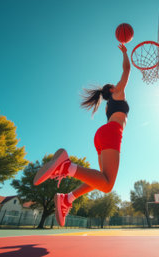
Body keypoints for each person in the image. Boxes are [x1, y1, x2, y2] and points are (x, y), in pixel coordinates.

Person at [33, 43, 130, 226]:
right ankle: (66, 167)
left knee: (101, 179)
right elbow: (127, 70)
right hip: (112, 133)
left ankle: (68, 198)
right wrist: (125, 52)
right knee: (108, 186)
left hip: (101, 135)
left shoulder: (110, 106)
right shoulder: (118, 93)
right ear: (112, 89)